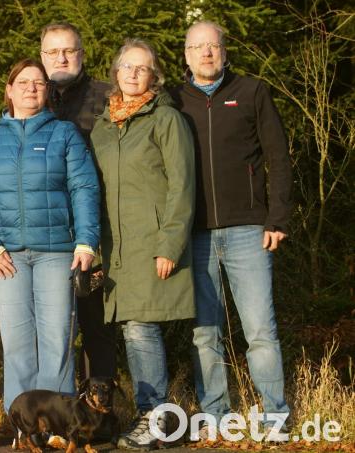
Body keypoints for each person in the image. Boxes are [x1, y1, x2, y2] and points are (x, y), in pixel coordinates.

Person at [0, 59, 101, 415]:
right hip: (7, 257)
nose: (30, 88)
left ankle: (58, 421)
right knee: (18, 343)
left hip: (57, 253)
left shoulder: (65, 133)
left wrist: (86, 241)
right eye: (22, 82)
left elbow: (84, 187)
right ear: (9, 90)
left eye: (38, 83)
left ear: (47, 90)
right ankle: (22, 422)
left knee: (57, 340)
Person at [171, 21, 292, 437]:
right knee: (205, 334)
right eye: (197, 47)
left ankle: (276, 419)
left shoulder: (251, 92)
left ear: (224, 51)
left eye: (213, 46)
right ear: (185, 55)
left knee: (260, 331)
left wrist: (277, 218)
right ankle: (215, 418)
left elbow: (278, 156)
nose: (206, 53)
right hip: (195, 234)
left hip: (249, 231)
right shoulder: (172, 99)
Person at [90, 39, 196, 450]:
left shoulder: (166, 119)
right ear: (116, 73)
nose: (134, 74)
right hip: (115, 249)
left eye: (143, 68)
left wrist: (170, 243)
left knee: (140, 329)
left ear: (155, 77)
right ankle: (157, 419)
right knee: (132, 329)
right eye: (127, 67)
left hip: (152, 244)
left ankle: (154, 417)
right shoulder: (102, 126)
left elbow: (182, 187)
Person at [39, 21, 117, 386]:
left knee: (97, 328)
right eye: (53, 52)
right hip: (47, 230)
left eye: (68, 50)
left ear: (81, 54)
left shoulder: (108, 96)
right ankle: (56, 413)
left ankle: (100, 416)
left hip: (99, 230)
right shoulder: (31, 96)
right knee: (54, 330)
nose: (61, 58)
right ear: (42, 57)